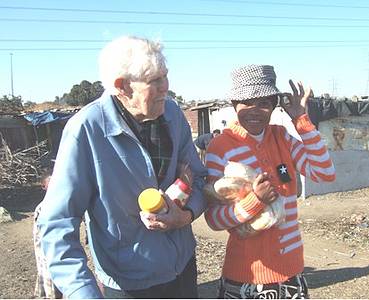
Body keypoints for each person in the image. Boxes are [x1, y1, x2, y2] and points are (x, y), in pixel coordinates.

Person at [37, 35, 207, 299]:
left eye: (166, 76)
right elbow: (58, 222)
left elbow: (198, 178)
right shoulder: (86, 129)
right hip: (129, 285)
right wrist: (83, 292)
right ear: (122, 86)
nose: (166, 87)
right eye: (155, 81)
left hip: (182, 269)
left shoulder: (173, 115)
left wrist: (185, 216)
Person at [204, 64, 336, 299]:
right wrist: (255, 201)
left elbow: (324, 173)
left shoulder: (282, 137)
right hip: (247, 276)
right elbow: (213, 219)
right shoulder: (221, 148)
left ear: (274, 106)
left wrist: (301, 120)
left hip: (291, 274)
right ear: (235, 104)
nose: (255, 110)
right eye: (246, 102)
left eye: (264, 103)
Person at [33, 171, 63, 299]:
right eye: (50, 184)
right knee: (49, 280)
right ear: (44, 187)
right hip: (47, 253)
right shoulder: (43, 208)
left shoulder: (60, 204)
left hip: (60, 251)